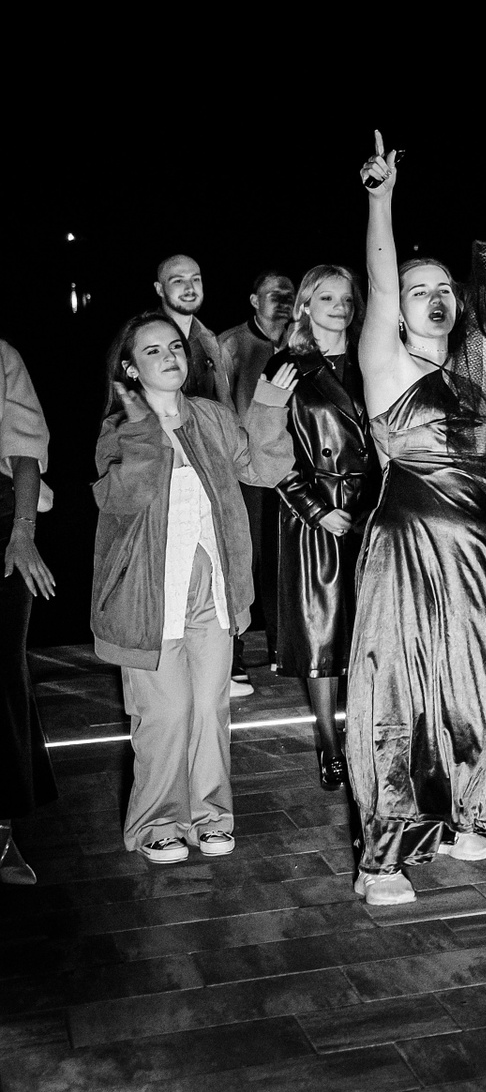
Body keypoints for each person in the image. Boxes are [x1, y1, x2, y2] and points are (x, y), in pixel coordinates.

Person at [345, 133, 486, 905]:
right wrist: (381, 200)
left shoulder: (471, 369)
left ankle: (464, 810)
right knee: (398, 690)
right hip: (406, 540)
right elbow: (378, 280)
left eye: (442, 288)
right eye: (417, 288)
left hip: (473, 546)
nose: (433, 296)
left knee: (474, 680)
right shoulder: (386, 361)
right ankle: (384, 856)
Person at [91, 312, 295, 864]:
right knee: (165, 714)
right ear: (130, 370)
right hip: (148, 599)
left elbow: (263, 470)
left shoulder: (211, 417)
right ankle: (158, 823)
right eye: (153, 351)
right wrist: (143, 431)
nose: (170, 356)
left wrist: (271, 404)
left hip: (213, 593)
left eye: (175, 347)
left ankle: (212, 817)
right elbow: (122, 498)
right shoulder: (118, 431)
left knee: (210, 709)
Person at [267, 265, 376, 791]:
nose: (340, 307)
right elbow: (268, 450)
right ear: (305, 305)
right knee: (323, 635)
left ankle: (368, 737)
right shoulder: (287, 366)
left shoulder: (373, 359)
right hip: (316, 514)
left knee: (371, 628)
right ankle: (331, 745)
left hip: (371, 508)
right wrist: (314, 508)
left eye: (347, 298)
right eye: (327, 297)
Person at [219, 269, 295, 694]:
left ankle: (284, 647)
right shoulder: (231, 345)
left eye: (289, 293)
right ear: (254, 300)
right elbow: (219, 406)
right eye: (273, 293)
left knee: (284, 558)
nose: (283, 300)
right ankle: (233, 654)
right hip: (246, 467)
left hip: (292, 465)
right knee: (243, 557)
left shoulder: (302, 340)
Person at [1, 339, 56, 884]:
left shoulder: (2, 356)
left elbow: (24, 451)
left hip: (3, 523)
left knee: (2, 673)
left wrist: (22, 533)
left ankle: (2, 832)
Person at [153, 254, 232, 406]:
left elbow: (225, 403)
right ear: (160, 289)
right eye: (178, 281)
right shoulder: (144, 339)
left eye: (195, 279)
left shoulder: (210, 340)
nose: (190, 288)